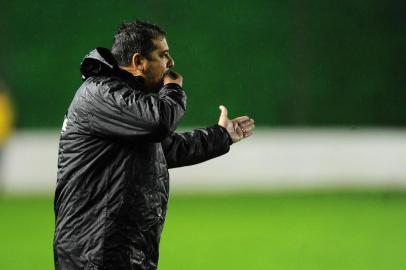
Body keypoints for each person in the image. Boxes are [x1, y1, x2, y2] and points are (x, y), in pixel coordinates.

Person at [53, 19, 255, 270]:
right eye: (163, 55)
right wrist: (172, 89)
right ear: (138, 62)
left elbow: (164, 150)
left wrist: (222, 136)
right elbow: (160, 121)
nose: (171, 64)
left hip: (116, 249)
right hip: (95, 253)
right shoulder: (101, 93)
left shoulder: (120, 103)